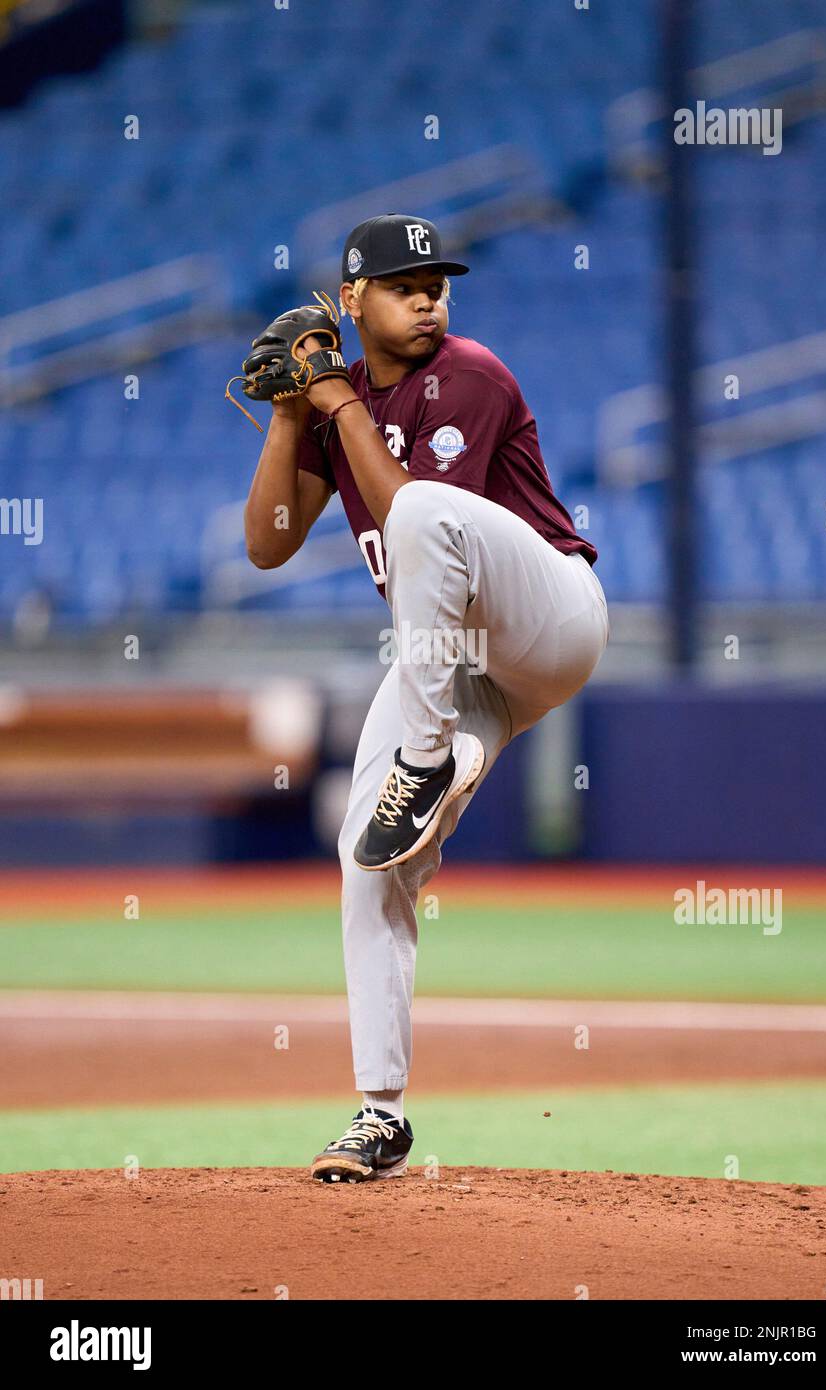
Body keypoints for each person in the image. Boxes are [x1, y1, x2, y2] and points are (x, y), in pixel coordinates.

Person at [243, 213, 609, 1182]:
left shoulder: (470, 375)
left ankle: (431, 757)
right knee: (365, 852)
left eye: (436, 281)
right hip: (460, 669)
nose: (428, 297)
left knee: (422, 515)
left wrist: (334, 403)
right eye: (404, 285)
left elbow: (407, 506)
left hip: (551, 619)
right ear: (352, 301)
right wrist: (293, 410)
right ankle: (380, 1114)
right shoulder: (340, 400)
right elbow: (267, 543)